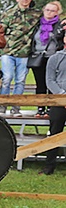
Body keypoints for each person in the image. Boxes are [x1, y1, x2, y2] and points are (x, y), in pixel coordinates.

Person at [0, 0, 42, 116]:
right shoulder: (9, 14)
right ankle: (2, 106)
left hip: (24, 53)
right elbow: (0, 32)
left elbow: (50, 21)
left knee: (20, 80)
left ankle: (15, 107)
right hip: (8, 51)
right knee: (7, 78)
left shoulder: (37, 14)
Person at [29, 1, 64, 117]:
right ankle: (40, 107)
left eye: (52, 10)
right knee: (40, 83)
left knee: (51, 81)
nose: (49, 12)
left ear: (57, 13)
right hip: (38, 56)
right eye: (47, 10)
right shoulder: (37, 24)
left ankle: (50, 107)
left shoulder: (59, 25)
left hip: (53, 57)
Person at [42, 26, 66, 175]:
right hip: (58, 101)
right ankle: (49, 165)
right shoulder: (55, 58)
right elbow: (50, 80)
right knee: (55, 131)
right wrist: (62, 96)